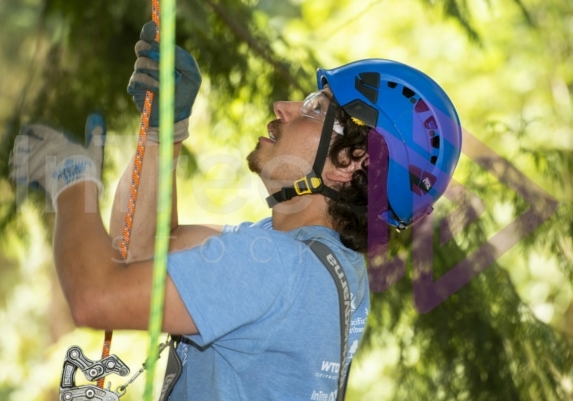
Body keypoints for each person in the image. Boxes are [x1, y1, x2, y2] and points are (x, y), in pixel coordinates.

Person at [10, 20, 461, 401]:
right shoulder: (326, 268)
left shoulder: (276, 268)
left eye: (313, 109)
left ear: (351, 164)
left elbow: (96, 297)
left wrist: (71, 180)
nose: (283, 107)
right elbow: (142, 249)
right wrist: (163, 134)